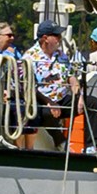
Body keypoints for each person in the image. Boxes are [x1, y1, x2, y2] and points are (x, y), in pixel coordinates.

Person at [23, 21, 72, 150]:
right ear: (45, 38)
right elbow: (27, 86)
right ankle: (61, 142)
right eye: (57, 36)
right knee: (45, 113)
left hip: (61, 97)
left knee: (92, 104)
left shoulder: (61, 55)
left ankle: (91, 145)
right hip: (41, 99)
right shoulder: (29, 57)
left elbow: (71, 76)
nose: (60, 39)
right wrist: (49, 101)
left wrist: (79, 95)